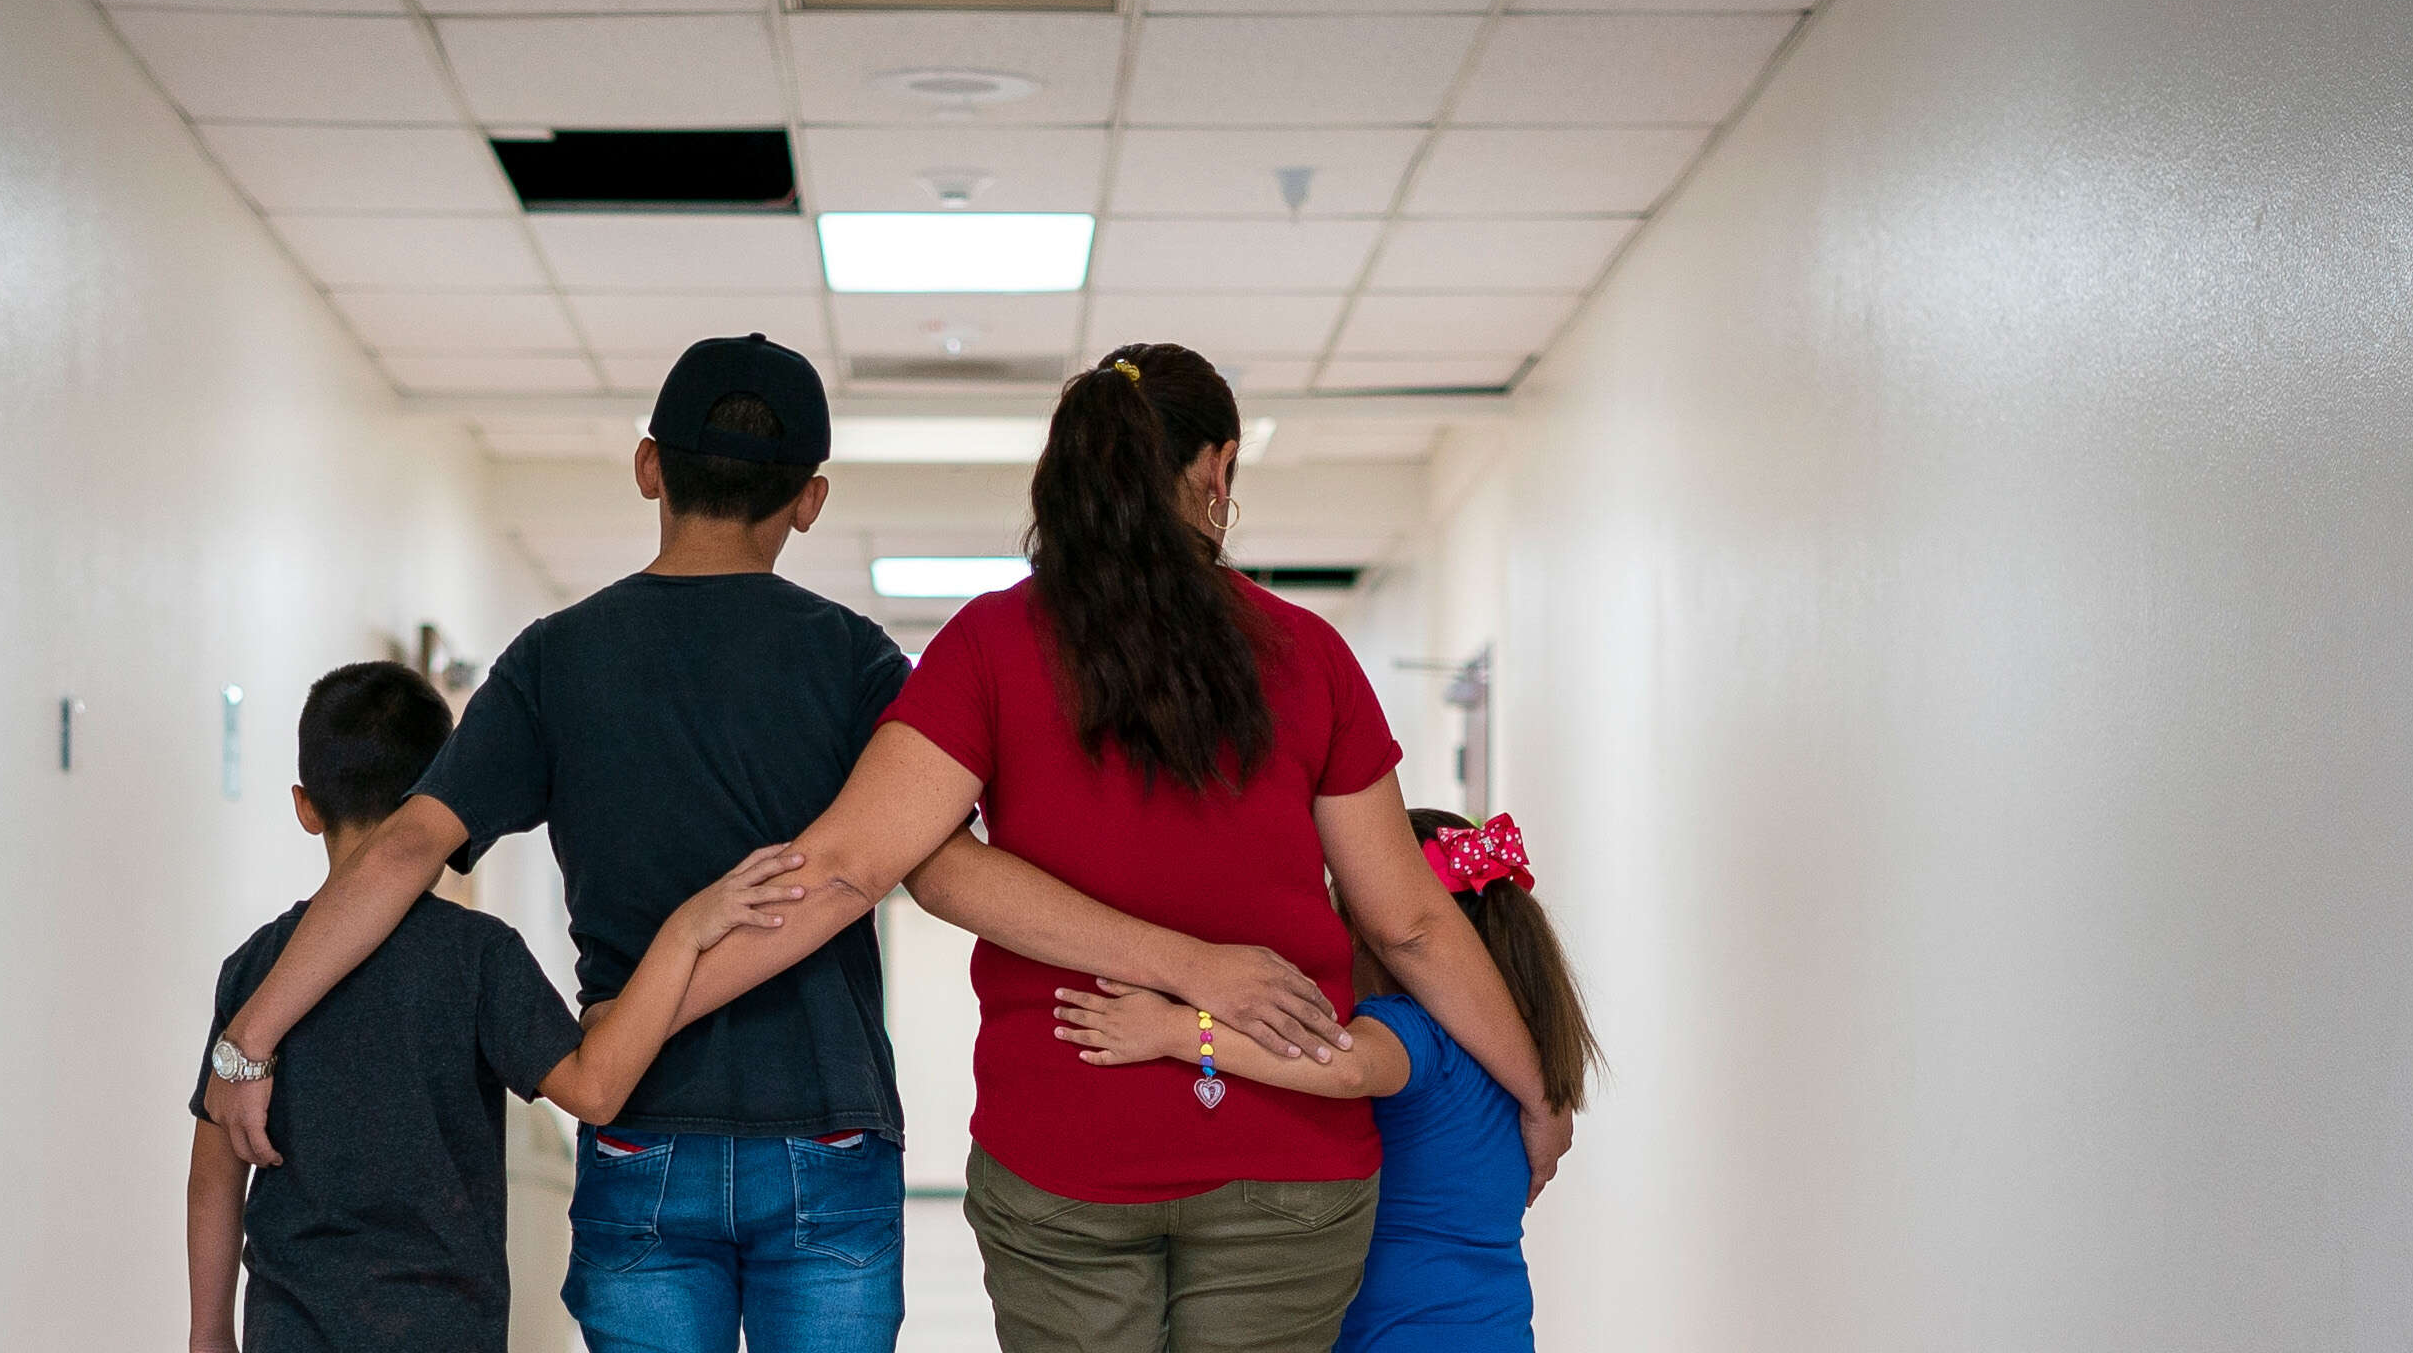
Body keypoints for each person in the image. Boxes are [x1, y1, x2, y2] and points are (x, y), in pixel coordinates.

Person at [196, 336, 1348, 1353]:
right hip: (828, 1123)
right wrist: (1182, 953)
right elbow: (935, 867)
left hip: (641, 1119)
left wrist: (248, 1041)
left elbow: (399, 855)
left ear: (651, 468)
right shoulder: (855, 663)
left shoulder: (554, 660)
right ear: (810, 499)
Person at [642, 344, 1574, 1353]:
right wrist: (1539, 1095)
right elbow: (1413, 923)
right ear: (1216, 473)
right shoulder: (1309, 655)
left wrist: (631, 1029)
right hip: (1287, 1164)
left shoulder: (990, 647)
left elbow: (850, 867)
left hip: (1063, 1155)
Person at [184, 661, 814, 1353]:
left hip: (288, 1325)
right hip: (443, 1325)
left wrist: (209, 1332)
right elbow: (594, 1090)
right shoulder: (476, 955)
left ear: (306, 806)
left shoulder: (255, 968)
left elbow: (215, 1181)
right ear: (440, 801)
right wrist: (684, 933)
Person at [1047, 809, 1602, 1353]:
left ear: (1372, 930)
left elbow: (1346, 1065)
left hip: (1398, 1332)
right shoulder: (1521, 1052)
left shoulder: (1413, 1029)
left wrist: (1176, 1030)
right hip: (1496, 1326)